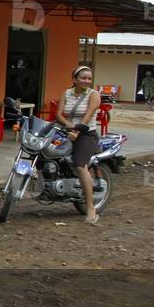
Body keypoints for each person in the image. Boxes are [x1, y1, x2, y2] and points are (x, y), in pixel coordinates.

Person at [56, 65, 103, 225]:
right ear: (74, 79)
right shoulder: (66, 93)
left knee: (80, 165)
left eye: (89, 78)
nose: (87, 81)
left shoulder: (94, 94)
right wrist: (68, 125)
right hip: (67, 130)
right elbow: (58, 114)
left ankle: (91, 208)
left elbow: (88, 115)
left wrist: (76, 131)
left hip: (86, 134)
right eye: (83, 78)